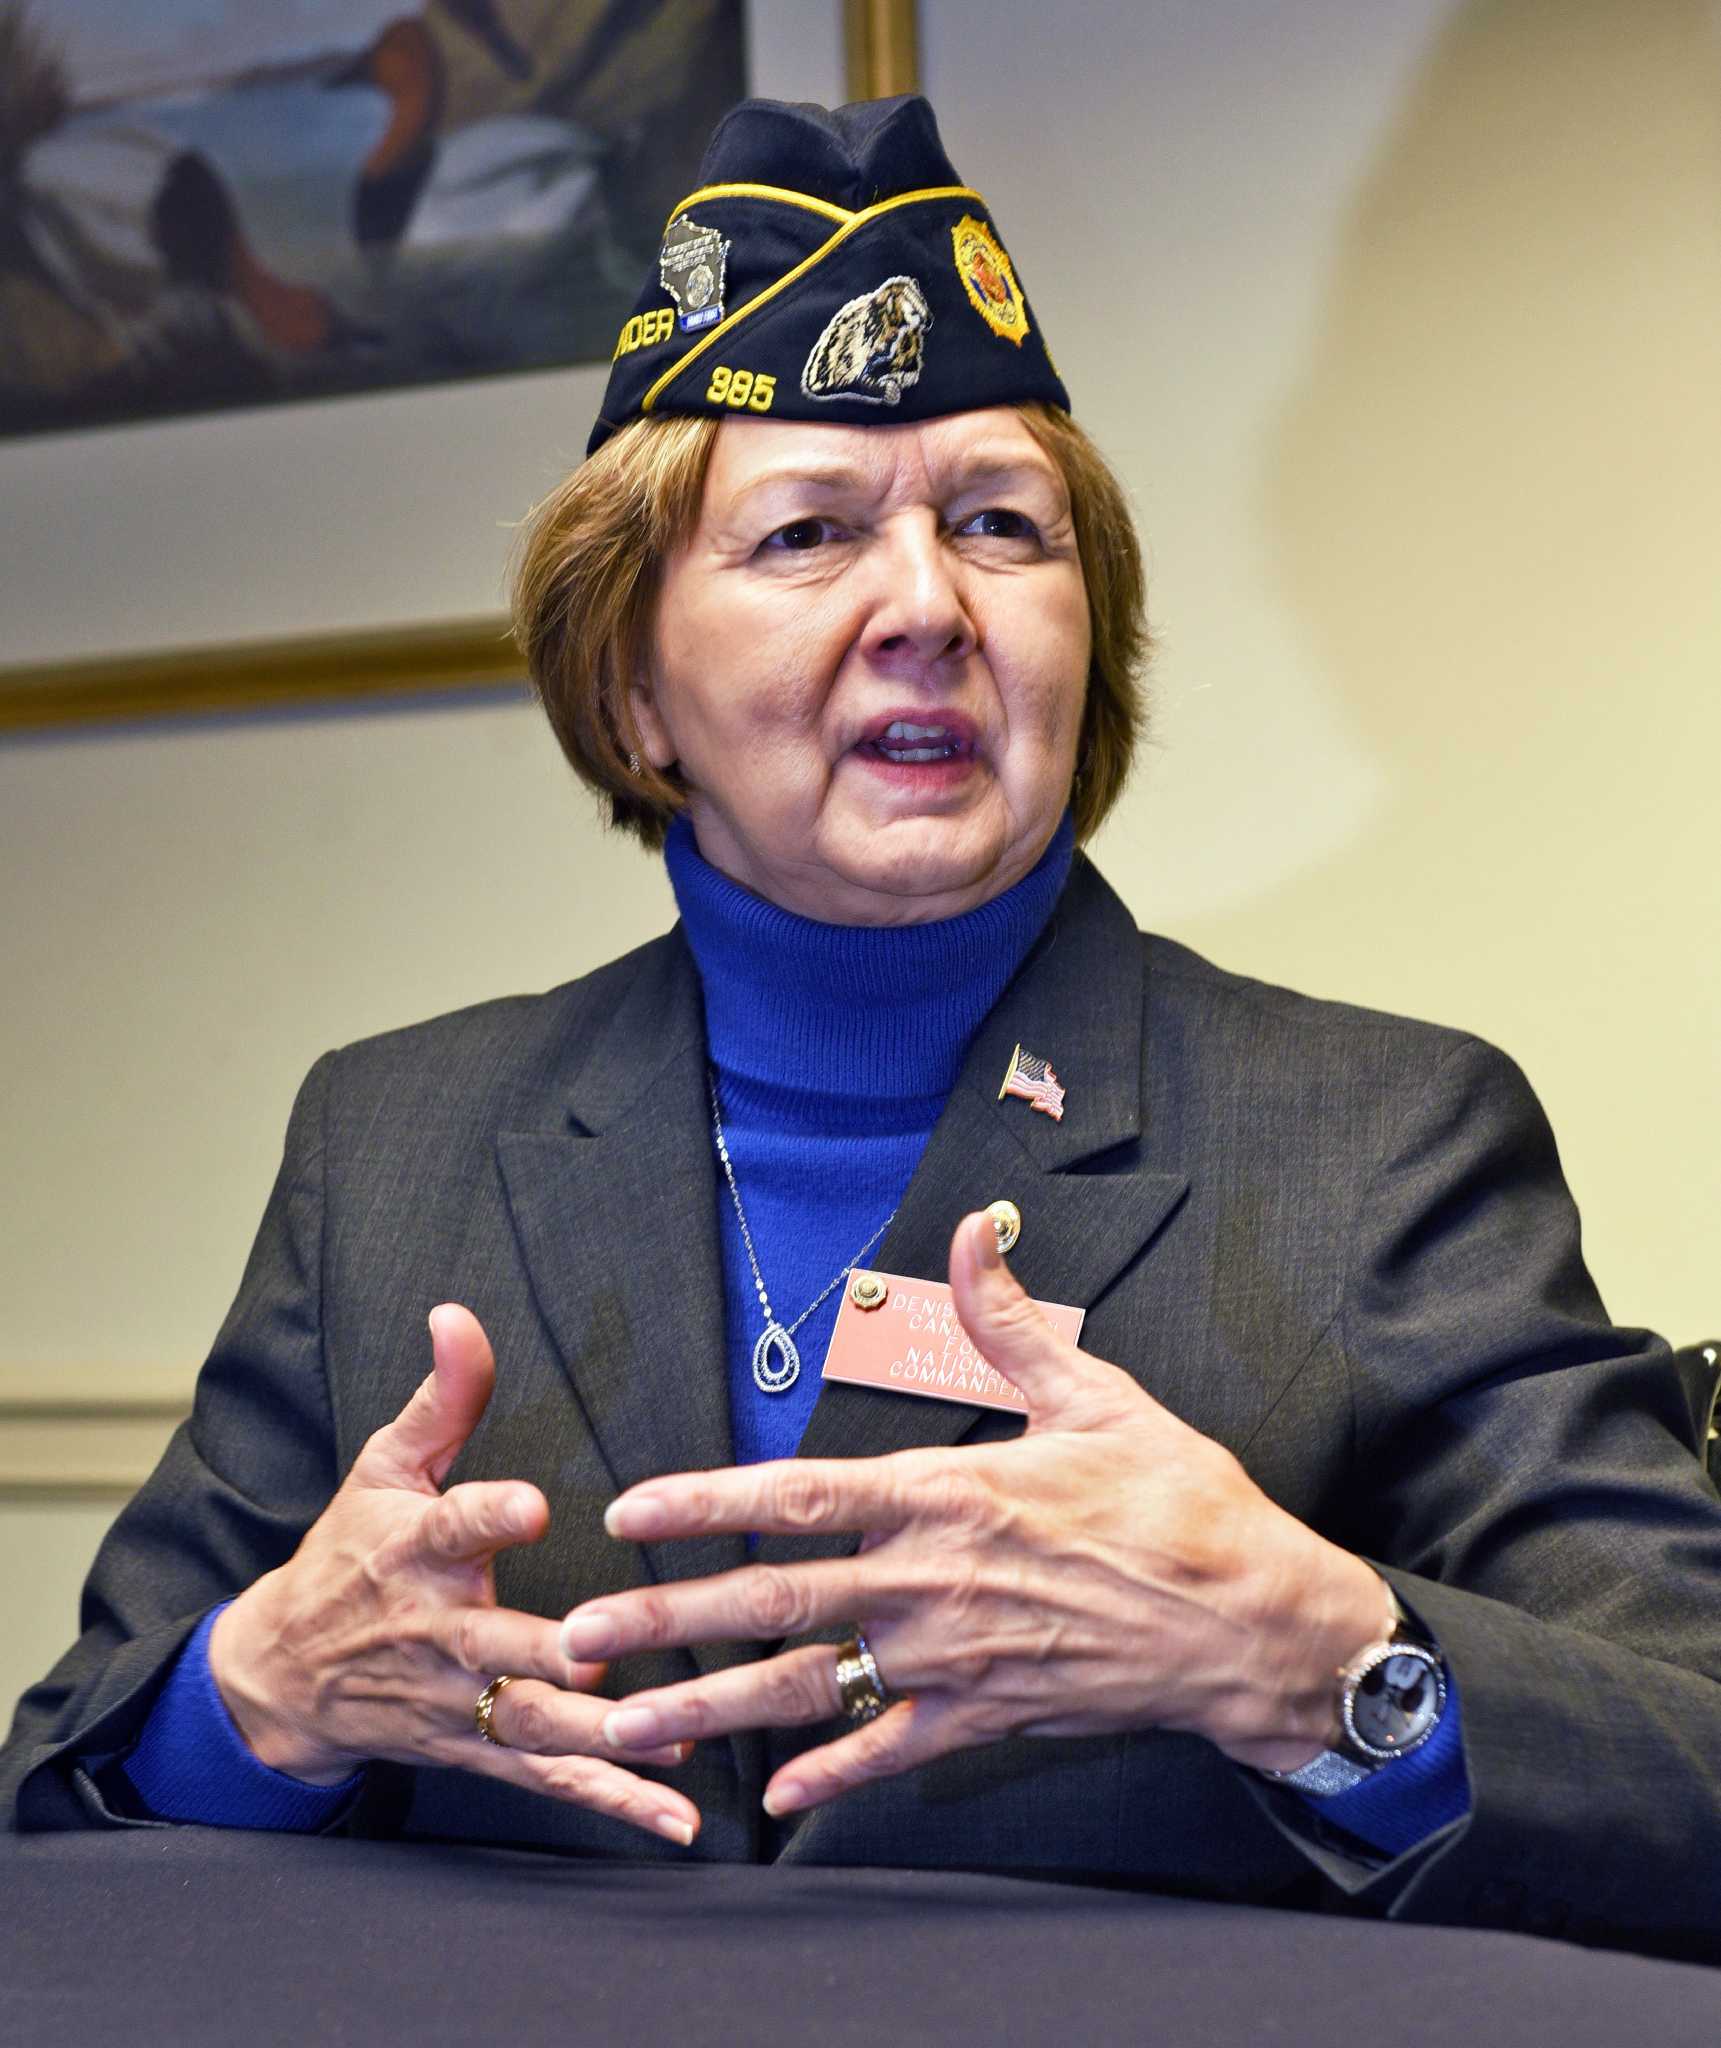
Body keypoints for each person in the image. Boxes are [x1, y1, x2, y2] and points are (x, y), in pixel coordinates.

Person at [5, 94, 1720, 1961]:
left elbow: (1692, 1771)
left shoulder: (1384, 1136)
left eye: (1001, 525)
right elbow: (69, 1788)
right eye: (810, 533)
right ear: (632, 684)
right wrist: (262, 1695)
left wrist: (1320, 1661)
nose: (930, 606)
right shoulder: (393, 1134)